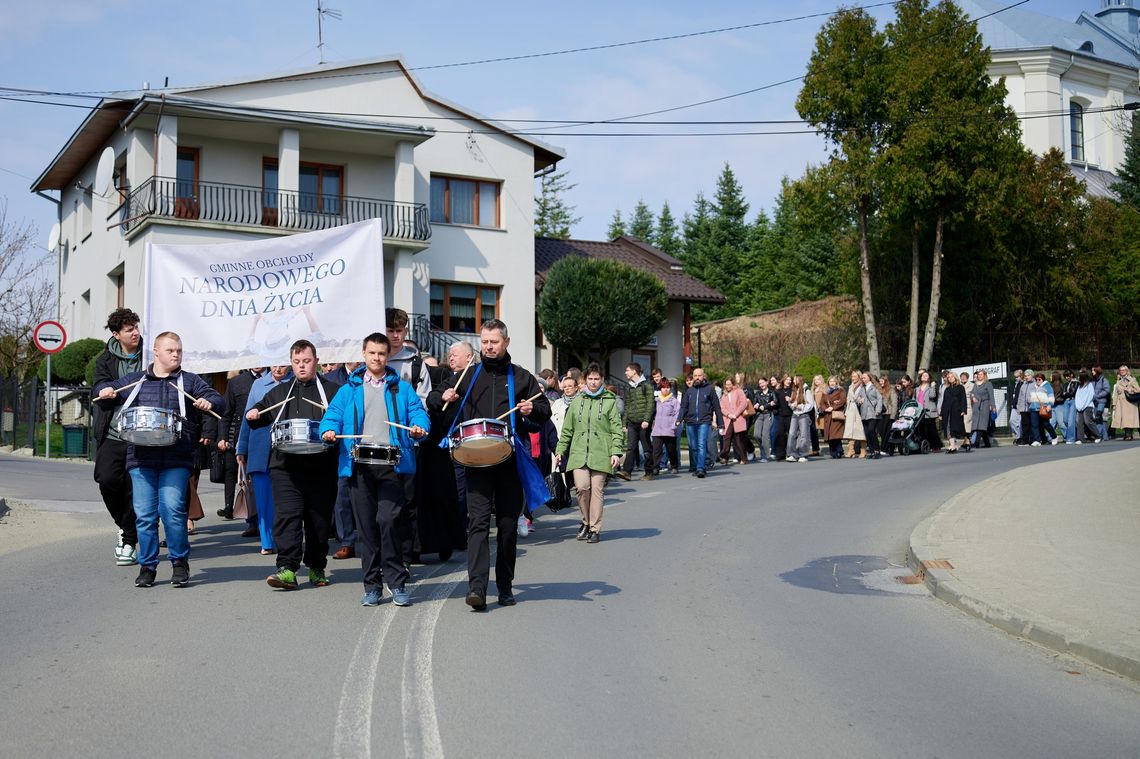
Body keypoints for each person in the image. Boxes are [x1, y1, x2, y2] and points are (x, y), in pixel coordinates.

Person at [428, 319, 552, 610]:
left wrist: (532, 409)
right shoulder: (466, 375)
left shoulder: (521, 377)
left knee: (508, 526)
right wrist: (441, 397)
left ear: (506, 342)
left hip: (509, 462)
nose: (488, 347)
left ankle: (505, 585)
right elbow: (434, 398)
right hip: (475, 460)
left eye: (494, 342)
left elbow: (543, 410)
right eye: (484, 341)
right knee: (478, 525)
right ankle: (478, 588)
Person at [93, 332, 224, 588]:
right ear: (156, 352)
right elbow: (102, 391)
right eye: (170, 350)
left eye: (179, 350)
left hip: (177, 456)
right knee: (144, 515)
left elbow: (218, 398)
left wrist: (209, 402)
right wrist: (104, 390)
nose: (176, 354)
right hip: (141, 456)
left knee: (173, 510)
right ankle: (148, 566)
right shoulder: (137, 380)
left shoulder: (189, 381)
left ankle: (178, 562)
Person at [320, 333, 429, 607]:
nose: (377, 358)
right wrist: (329, 430)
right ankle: (372, 587)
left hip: (393, 466)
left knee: (390, 523)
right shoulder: (349, 389)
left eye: (381, 353)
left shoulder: (401, 389)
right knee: (366, 529)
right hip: (359, 466)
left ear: (387, 356)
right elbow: (331, 416)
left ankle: (397, 582)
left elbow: (418, 413)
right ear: (364, 354)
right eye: (372, 353)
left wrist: (418, 427)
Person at [245, 340, 342, 591]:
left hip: (322, 465)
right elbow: (262, 411)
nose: (301, 366)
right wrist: (253, 413)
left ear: (316, 361)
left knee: (319, 520)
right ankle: (287, 568)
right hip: (285, 465)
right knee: (287, 517)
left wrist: (335, 430)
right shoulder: (280, 392)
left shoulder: (332, 391)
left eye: (306, 361)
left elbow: (343, 418)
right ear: (291, 363)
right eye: (297, 362)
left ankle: (317, 565)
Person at [91, 307, 144, 566]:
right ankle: (125, 526)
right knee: (107, 480)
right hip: (113, 432)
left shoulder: (149, 355)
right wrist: (106, 389)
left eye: (136, 327)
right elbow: (98, 383)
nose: (135, 332)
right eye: (129, 329)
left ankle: (129, 540)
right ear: (116, 334)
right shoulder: (105, 359)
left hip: (143, 435)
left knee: (135, 489)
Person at [554, 363, 624, 544]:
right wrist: (560, 450)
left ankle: (595, 528)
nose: (593, 382)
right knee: (582, 488)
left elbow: (617, 429)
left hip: (601, 453)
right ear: (585, 380)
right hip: (578, 453)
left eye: (597, 379)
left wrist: (616, 452)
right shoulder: (577, 401)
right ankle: (585, 521)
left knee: (597, 491)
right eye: (590, 379)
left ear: (602, 380)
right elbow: (567, 430)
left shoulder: (610, 401)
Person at [236, 364, 291, 554]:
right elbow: (246, 418)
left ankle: (282, 538)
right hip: (259, 445)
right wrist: (241, 447)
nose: (278, 369)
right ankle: (267, 541)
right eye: (275, 365)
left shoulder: (294, 383)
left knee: (283, 497)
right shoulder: (259, 385)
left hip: (285, 448)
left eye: (283, 365)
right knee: (262, 496)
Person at [216, 366, 264, 524]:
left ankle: (265, 521)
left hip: (266, 436)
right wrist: (222, 437)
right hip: (242, 436)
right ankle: (250, 520)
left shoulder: (274, 378)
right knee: (244, 480)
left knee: (262, 481)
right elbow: (226, 412)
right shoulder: (237, 382)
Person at [677, 367, 723, 478]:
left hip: (704, 421)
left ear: (703, 377)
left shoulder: (710, 389)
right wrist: (679, 419)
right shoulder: (689, 391)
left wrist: (720, 423)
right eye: (695, 376)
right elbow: (683, 407)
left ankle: (700, 468)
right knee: (693, 446)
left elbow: (716, 406)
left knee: (701, 444)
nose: (697, 378)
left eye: (699, 375)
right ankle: (698, 465)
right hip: (690, 422)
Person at [617, 362, 656, 481]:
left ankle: (649, 472)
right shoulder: (628, 386)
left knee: (646, 448)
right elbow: (627, 405)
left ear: (634, 371)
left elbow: (651, 404)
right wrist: (625, 423)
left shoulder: (647, 385)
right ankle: (627, 472)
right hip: (632, 423)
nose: (625, 372)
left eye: (627, 370)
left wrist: (646, 420)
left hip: (643, 423)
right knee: (631, 447)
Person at [385, 308, 432, 400]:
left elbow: (423, 398)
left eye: (399, 331)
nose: (395, 335)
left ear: (405, 332)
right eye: (391, 331)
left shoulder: (416, 363)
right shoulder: (374, 360)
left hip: (408, 413)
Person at [650, 378, 681, 474]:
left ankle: (674, 466)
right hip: (657, 429)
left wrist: (674, 426)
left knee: (671, 450)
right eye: (663, 388)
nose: (666, 389)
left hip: (669, 429)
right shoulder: (656, 400)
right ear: (660, 389)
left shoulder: (674, 401)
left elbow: (677, 414)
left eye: (668, 387)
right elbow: (652, 413)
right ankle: (655, 467)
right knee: (656, 451)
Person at [718, 377, 750, 465]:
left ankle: (743, 458)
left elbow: (743, 403)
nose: (727, 386)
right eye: (726, 384)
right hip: (728, 419)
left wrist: (735, 414)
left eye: (729, 384)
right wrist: (728, 414)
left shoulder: (738, 391)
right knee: (726, 438)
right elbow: (722, 408)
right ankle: (724, 457)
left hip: (738, 418)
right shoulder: (723, 395)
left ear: (733, 384)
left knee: (738, 440)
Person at [853, 371, 883, 459]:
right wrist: (859, 400)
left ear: (869, 378)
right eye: (862, 378)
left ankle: (877, 450)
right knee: (867, 433)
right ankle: (872, 451)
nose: (863, 379)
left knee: (871, 431)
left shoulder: (875, 388)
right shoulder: (862, 388)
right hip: (864, 413)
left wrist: (878, 410)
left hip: (873, 413)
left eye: (864, 377)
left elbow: (879, 399)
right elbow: (857, 399)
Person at [785, 376, 815, 462]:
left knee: (804, 435)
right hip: (795, 414)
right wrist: (791, 403)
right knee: (791, 434)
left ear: (800, 380)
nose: (793, 381)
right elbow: (791, 405)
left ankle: (803, 454)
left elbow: (810, 405)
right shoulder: (794, 390)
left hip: (803, 415)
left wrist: (800, 406)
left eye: (795, 379)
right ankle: (792, 454)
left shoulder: (806, 390)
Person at [820, 375, 847, 459]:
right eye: (830, 381)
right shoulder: (825, 392)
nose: (832, 383)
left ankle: (839, 450)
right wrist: (825, 409)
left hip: (836, 415)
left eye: (833, 381)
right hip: (828, 415)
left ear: (836, 382)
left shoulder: (840, 390)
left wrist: (833, 407)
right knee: (829, 436)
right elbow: (821, 403)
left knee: (835, 435)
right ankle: (833, 452)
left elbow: (842, 401)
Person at [940, 371, 967, 453]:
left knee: (959, 428)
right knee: (948, 428)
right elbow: (944, 401)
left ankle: (967, 439)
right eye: (949, 377)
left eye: (952, 377)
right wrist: (941, 413)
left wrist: (963, 410)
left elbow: (963, 399)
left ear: (955, 377)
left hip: (956, 410)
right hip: (947, 411)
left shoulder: (960, 387)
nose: (950, 378)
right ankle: (952, 446)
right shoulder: (947, 389)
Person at [752, 376, 777, 463]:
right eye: (759, 383)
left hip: (768, 415)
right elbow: (754, 403)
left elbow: (775, 402)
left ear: (767, 382)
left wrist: (765, 406)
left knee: (765, 436)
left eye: (762, 382)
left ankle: (765, 456)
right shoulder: (758, 393)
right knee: (756, 435)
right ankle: (763, 450)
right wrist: (755, 405)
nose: (761, 385)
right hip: (759, 415)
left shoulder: (772, 392)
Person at [1111, 365, 1140, 440]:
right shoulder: (1119, 380)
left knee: (1128, 419)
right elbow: (1116, 393)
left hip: (1129, 403)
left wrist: (1129, 390)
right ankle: (1127, 434)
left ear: (1127, 371)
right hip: (1120, 403)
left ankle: (1128, 434)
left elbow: (1138, 390)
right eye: (1120, 370)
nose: (1121, 372)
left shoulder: (1132, 380)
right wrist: (1114, 404)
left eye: (1123, 370)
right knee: (1122, 419)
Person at [843, 370, 866, 458]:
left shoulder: (862, 386)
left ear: (859, 377)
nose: (853, 378)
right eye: (852, 376)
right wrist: (846, 412)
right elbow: (848, 398)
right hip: (851, 410)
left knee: (860, 430)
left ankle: (863, 450)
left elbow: (862, 398)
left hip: (859, 409)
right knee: (849, 431)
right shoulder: (850, 386)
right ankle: (851, 450)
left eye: (855, 376)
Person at [970, 370, 996, 449]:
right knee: (978, 424)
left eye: (981, 374)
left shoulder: (988, 384)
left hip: (985, 405)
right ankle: (987, 443)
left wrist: (993, 406)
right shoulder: (975, 384)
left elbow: (991, 395)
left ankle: (976, 442)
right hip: (976, 406)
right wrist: (973, 397)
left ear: (984, 375)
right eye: (978, 374)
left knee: (981, 424)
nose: (979, 376)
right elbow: (972, 393)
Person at [1073, 369, 1100, 443]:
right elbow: (1077, 396)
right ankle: (1080, 438)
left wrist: (1083, 405)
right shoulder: (1079, 386)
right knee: (1079, 422)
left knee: (1088, 421)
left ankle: (1097, 435)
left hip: (1087, 406)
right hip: (1079, 407)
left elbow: (1090, 396)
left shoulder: (1089, 385)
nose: (1078, 378)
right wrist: (1078, 406)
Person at [1092, 366, 1111, 441]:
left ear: (1097, 371)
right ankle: (1105, 437)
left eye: (1093, 370)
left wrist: (1097, 396)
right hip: (1095, 402)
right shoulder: (1093, 380)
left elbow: (1107, 390)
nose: (1092, 372)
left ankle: (1099, 435)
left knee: (1098, 416)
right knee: (1100, 419)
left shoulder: (1104, 380)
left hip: (1102, 402)